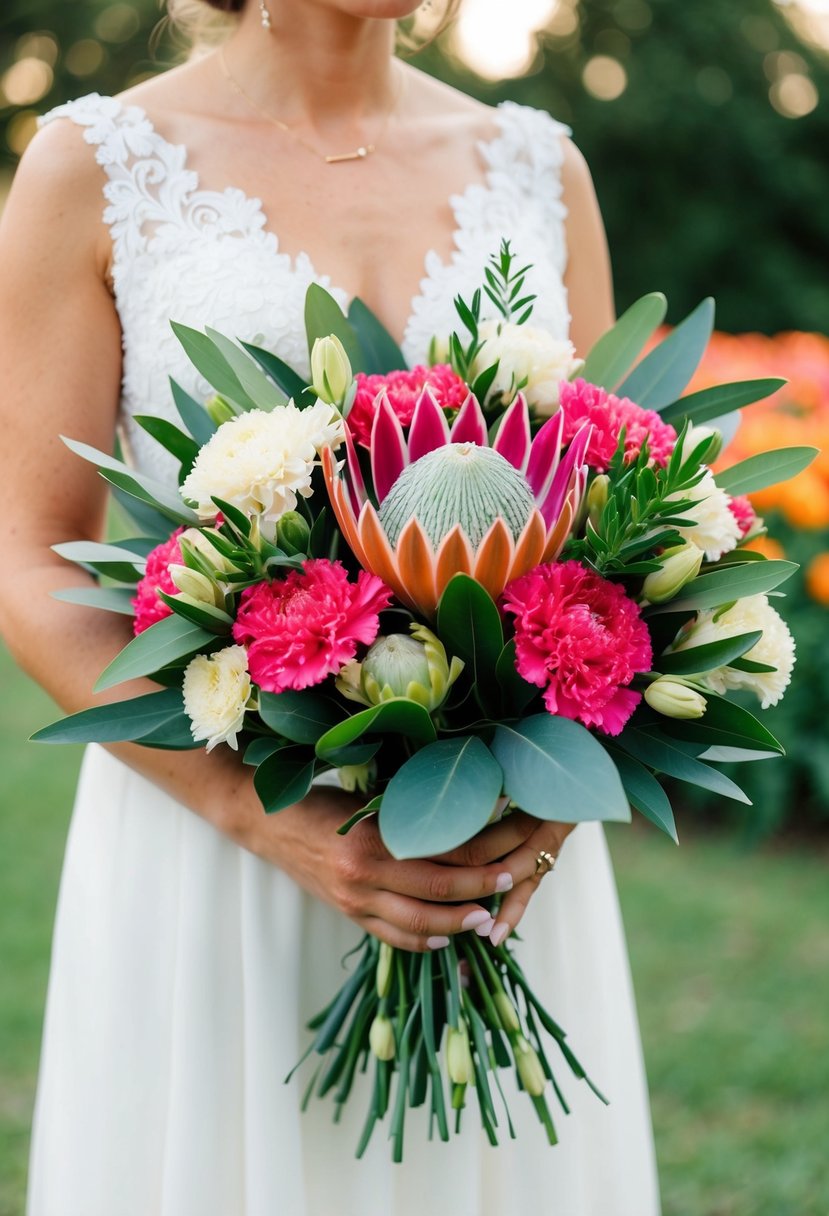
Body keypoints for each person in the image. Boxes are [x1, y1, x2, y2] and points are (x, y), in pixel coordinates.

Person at [0, 1, 662, 1211]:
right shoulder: (89, 166)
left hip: (494, 862)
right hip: (217, 844)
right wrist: (267, 822)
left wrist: (542, 825)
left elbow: (611, 520)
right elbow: (30, 558)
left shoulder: (537, 168)